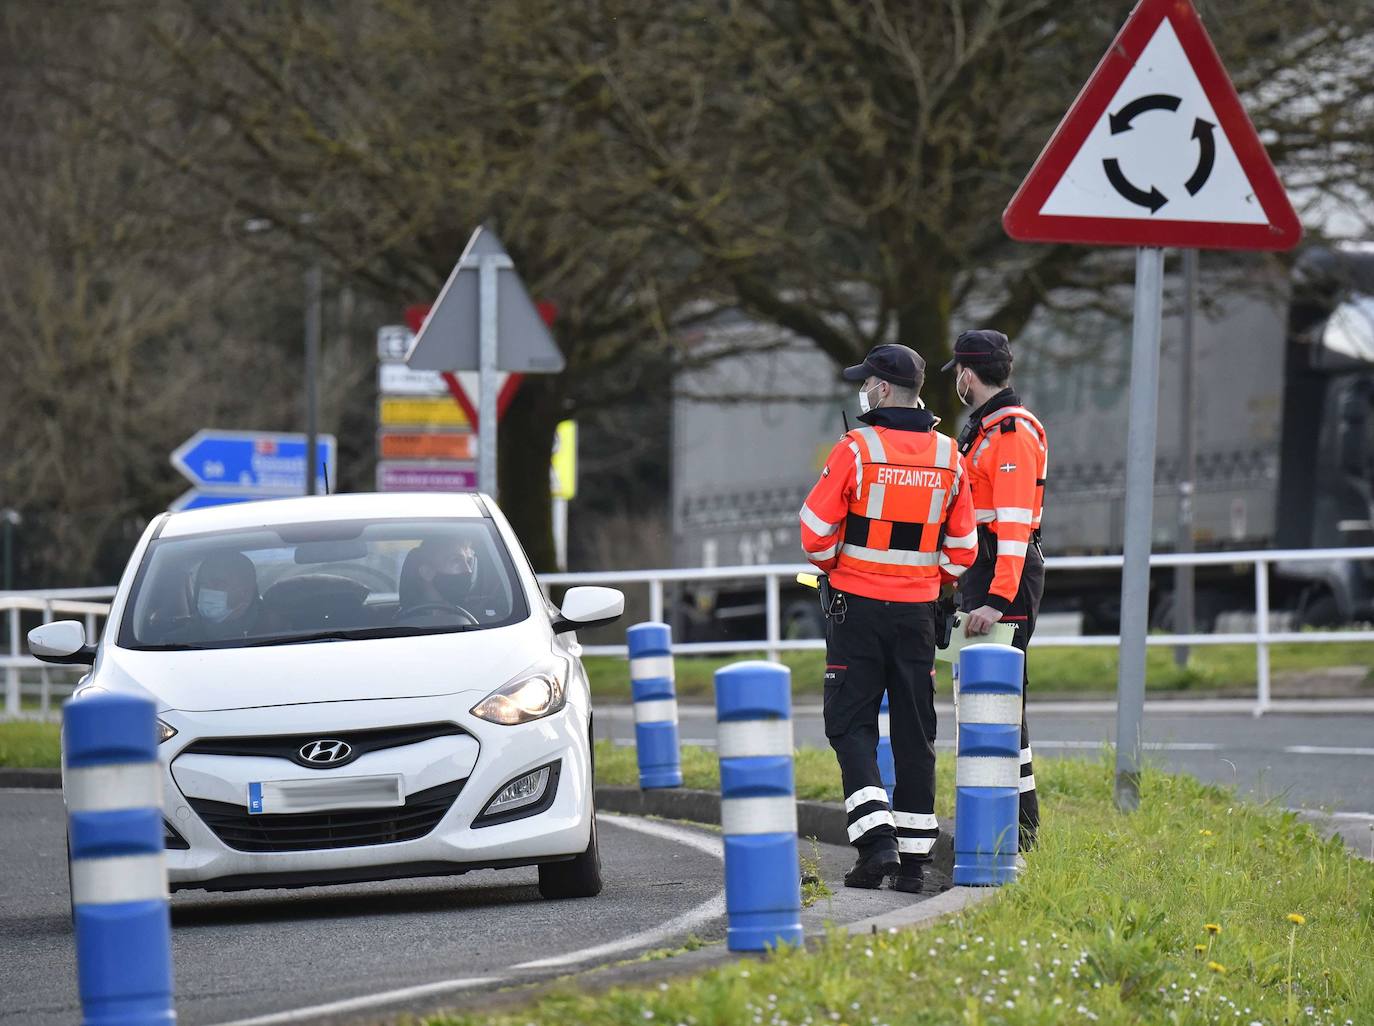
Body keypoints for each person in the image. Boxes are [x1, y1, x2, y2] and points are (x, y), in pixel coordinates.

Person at [799, 343, 977, 892]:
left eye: (865, 382)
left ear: (879, 390)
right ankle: (916, 863)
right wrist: (928, 580)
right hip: (918, 615)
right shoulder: (950, 455)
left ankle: (876, 844)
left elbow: (814, 533)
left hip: (856, 612)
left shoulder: (856, 448)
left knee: (850, 724)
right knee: (913, 730)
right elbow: (963, 549)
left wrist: (842, 568)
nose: (862, 389)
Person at [944, 328, 1048, 849]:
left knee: (1002, 704)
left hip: (1000, 577)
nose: (957, 381)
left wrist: (996, 601)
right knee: (988, 702)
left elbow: (1011, 526)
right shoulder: (987, 429)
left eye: (958, 373)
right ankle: (1011, 824)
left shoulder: (1008, 433)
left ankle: (1021, 832)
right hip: (984, 573)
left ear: (968, 372)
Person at [183, 551, 269, 642]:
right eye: (203, 584)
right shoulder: (181, 639)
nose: (207, 590)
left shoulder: (274, 631)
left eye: (217, 584)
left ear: (246, 591)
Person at [398, 537, 479, 611]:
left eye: (468, 561)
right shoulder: (405, 624)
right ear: (427, 572)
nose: (468, 570)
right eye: (456, 561)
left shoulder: (477, 615)